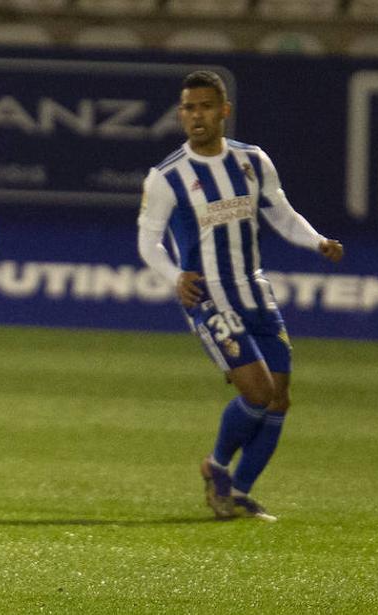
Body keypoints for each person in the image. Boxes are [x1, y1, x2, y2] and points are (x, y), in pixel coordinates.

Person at [137, 70, 343, 522]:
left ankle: (237, 493)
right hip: (208, 298)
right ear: (180, 113)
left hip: (255, 289)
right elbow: (147, 242)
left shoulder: (252, 161)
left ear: (224, 111)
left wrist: (316, 241)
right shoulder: (167, 177)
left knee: (280, 397)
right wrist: (174, 276)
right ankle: (216, 467)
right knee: (258, 391)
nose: (197, 115)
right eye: (189, 107)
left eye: (206, 106)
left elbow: (282, 214)